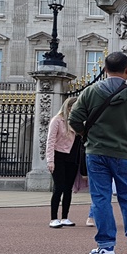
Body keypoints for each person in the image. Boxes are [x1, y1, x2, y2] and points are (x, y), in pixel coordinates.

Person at [69, 51, 127, 254]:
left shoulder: (90, 92)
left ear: (105, 70)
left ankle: (106, 246)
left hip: (96, 152)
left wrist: (86, 135)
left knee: (101, 198)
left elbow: (74, 119)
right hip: (124, 154)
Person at [45, 97, 82, 227]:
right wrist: (50, 160)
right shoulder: (57, 120)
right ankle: (53, 218)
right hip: (58, 156)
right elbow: (50, 141)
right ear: (69, 107)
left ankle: (65, 217)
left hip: (72, 158)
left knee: (68, 189)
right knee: (58, 187)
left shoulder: (77, 121)